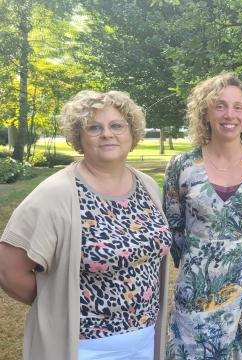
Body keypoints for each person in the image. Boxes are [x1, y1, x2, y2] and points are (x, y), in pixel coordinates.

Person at [0, 90, 172, 360]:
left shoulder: (147, 186)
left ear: (132, 133)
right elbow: (9, 270)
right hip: (84, 348)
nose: (107, 134)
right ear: (78, 137)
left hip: (145, 341)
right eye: (94, 127)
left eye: (117, 125)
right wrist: (55, 304)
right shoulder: (55, 194)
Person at [163, 72, 242, 359]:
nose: (230, 115)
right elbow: (174, 229)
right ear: (205, 112)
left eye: (237, 107)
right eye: (220, 106)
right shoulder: (182, 166)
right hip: (198, 293)